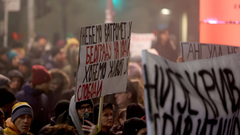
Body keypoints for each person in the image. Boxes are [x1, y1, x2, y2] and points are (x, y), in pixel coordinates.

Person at [15, 65, 52, 134]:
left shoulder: (44, 97)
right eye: (47, 83)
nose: (49, 86)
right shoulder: (20, 97)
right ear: (39, 82)